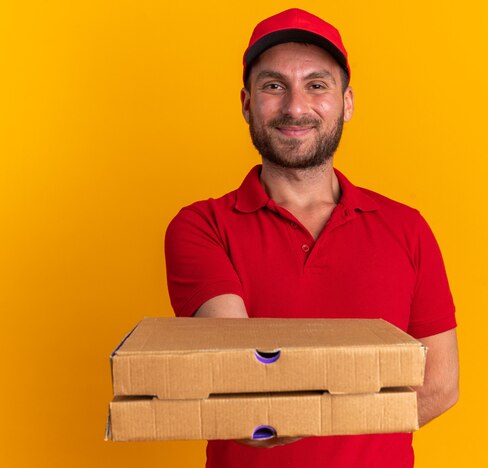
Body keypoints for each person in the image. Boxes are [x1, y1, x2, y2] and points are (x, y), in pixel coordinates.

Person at [165, 8, 459, 468]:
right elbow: (239, 380)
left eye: (317, 85)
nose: (295, 107)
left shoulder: (407, 229)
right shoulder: (202, 226)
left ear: (346, 102)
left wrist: (289, 412)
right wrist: (359, 398)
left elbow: (439, 385)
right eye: (274, 86)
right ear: (246, 104)